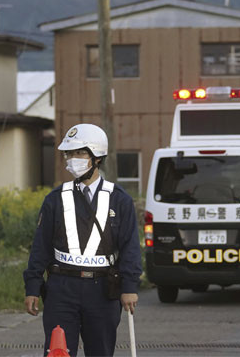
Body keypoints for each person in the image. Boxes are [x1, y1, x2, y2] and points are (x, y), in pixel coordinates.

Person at [23, 123, 142, 357]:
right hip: (61, 288)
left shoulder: (120, 200)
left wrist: (129, 287)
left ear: (97, 157)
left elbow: (130, 247)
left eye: (79, 153)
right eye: (69, 154)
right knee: (58, 352)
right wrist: (32, 287)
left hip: (102, 290)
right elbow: (41, 247)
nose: (72, 159)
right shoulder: (55, 199)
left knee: (100, 351)